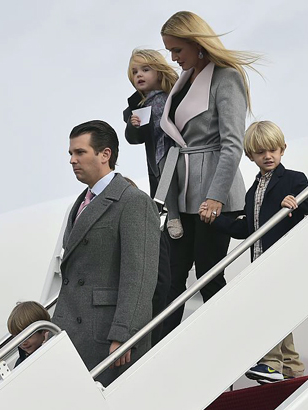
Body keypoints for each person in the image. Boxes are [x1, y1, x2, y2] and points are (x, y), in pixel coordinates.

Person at [156, 11, 260, 337]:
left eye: (177, 50)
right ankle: (159, 348)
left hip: (214, 196)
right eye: (169, 51)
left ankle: (229, 342)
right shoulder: (183, 82)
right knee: (172, 276)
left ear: (197, 44)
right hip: (182, 194)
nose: (173, 58)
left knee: (208, 275)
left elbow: (232, 145)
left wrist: (215, 196)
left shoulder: (226, 77)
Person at [52, 120, 160, 386]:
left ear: (105, 154)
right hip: (73, 332)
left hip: (107, 336)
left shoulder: (133, 201)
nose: (72, 160)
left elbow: (140, 275)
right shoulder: (80, 203)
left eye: (80, 152)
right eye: (70, 154)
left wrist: (125, 333)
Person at [210, 120, 308, 383]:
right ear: (250, 156)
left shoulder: (293, 178)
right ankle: (293, 368)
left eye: (273, 150)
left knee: (268, 309)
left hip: (282, 257)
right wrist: (216, 219)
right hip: (259, 259)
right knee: (278, 310)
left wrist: (294, 202)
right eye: (260, 152)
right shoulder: (251, 191)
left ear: (283, 150)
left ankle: (270, 363)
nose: (267, 156)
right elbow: (246, 227)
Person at [123, 49, 178, 345]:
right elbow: (134, 139)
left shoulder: (175, 95)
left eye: (145, 69)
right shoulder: (140, 106)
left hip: (176, 169)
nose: (139, 76)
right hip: (160, 174)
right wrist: (134, 123)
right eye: (134, 72)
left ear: (159, 70)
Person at [7, 301, 51, 367]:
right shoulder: (20, 364)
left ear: (44, 330)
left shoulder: (58, 347)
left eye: (27, 336)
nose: (23, 343)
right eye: (17, 338)